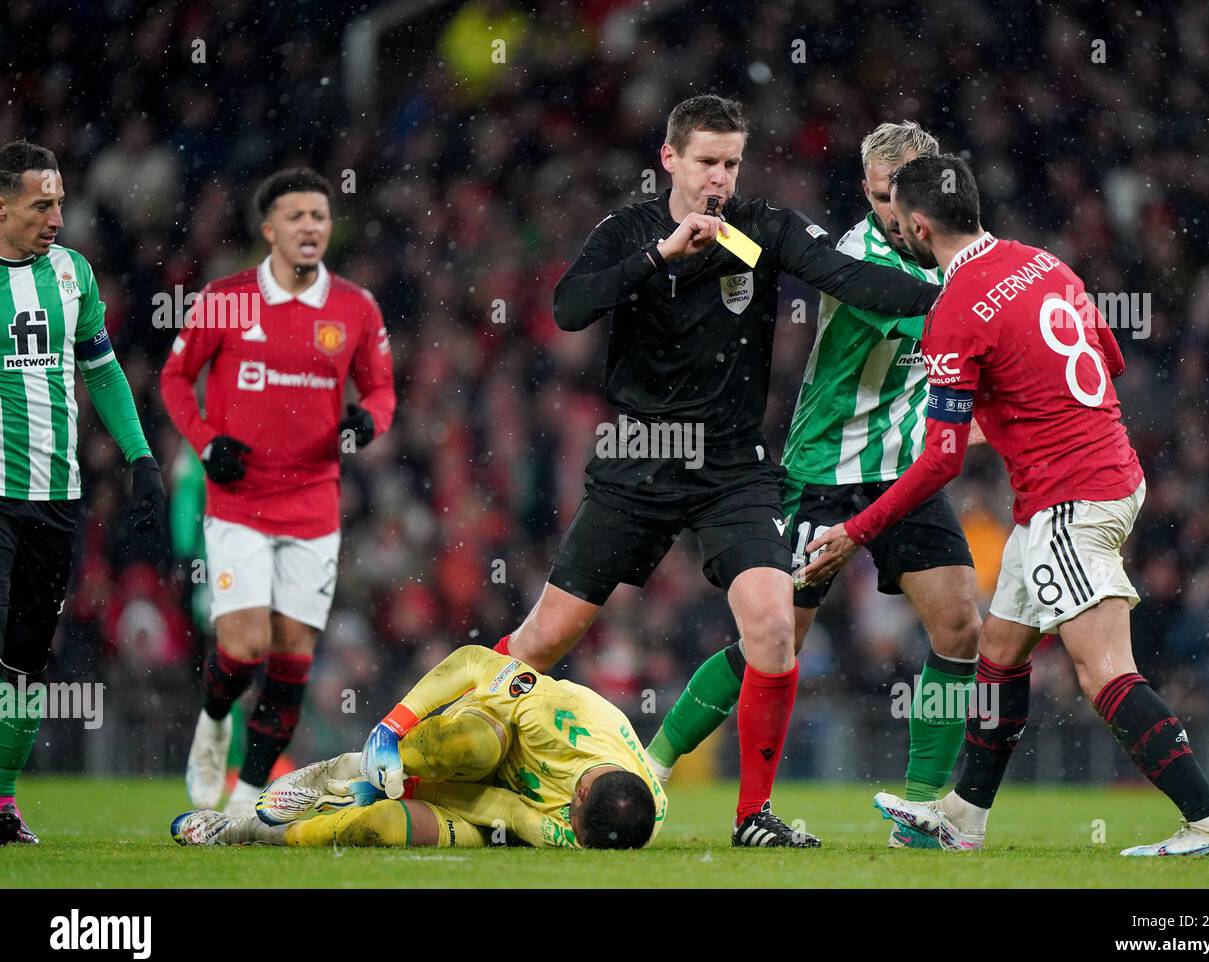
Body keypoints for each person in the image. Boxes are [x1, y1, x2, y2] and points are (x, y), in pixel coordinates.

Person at [485, 94, 939, 847]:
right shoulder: (629, 230)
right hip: (640, 457)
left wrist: (952, 298)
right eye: (705, 163)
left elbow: (846, 278)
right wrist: (663, 254)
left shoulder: (759, 231)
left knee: (772, 626)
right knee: (544, 635)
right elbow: (569, 308)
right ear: (669, 160)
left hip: (732, 465)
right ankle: (450, 743)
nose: (719, 179)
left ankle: (753, 816)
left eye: (731, 163)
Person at [802, 154, 1209, 856]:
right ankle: (963, 818)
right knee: (1000, 651)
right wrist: (1014, 413)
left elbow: (940, 460)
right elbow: (1108, 359)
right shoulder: (1041, 262)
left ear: (918, 226)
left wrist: (858, 532)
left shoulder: (951, 309)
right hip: (1103, 474)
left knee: (1103, 670)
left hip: (1071, 496)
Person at [644, 122, 982, 849]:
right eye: (891, 195)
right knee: (771, 642)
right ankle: (654, 763)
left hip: (903, 470)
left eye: (916, 191)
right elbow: (913, 310)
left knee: (960, 624)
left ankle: (921, 813)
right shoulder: (853, 257)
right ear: (869, 191)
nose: (905, 209)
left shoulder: (955, 256)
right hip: (821, 473)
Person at [161, 167, 396, 818]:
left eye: (319, 216)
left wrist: (368, 420)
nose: (310, 227)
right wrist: (207, 440)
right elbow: (175, 378)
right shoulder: (227, 300)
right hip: (239, 501)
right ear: (269, 230)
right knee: (244, 642)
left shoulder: (355, 307)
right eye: (296, 217)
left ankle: (246, 797)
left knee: (293, 650)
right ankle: (213, 720)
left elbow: (380, 388)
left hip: (314, 504)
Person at [0, 139, 166, 845]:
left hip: (57, 498)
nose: (57, 217)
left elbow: (100, 370)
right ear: (2, 206)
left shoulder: (74, 275)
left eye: (61, 202)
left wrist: (140, 455)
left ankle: (3, 806)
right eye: (42, 204)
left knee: (25, 664)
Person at [171, 644, 665, 850]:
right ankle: (351, 765)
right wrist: (391, 728)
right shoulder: (551, 718)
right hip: (493, 736)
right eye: (574, 829)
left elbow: (508, 810)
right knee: (475, 745)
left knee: (380, 826)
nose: (572, 838)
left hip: (491, 811)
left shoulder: (619, 825)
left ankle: (241, 831)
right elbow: (475, 661)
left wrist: (400, 796)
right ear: (578, 797)